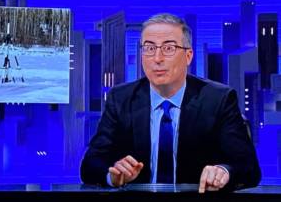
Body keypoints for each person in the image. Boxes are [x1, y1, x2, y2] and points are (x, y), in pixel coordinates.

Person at [80, 13, 261, 193]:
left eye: (168, 48)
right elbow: (91, 164)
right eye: (149, 48)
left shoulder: (218, 99)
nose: (157, 58)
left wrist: (223, 171)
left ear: (188, 56)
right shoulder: (121, 98)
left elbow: (248, 168)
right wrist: (112, 176)